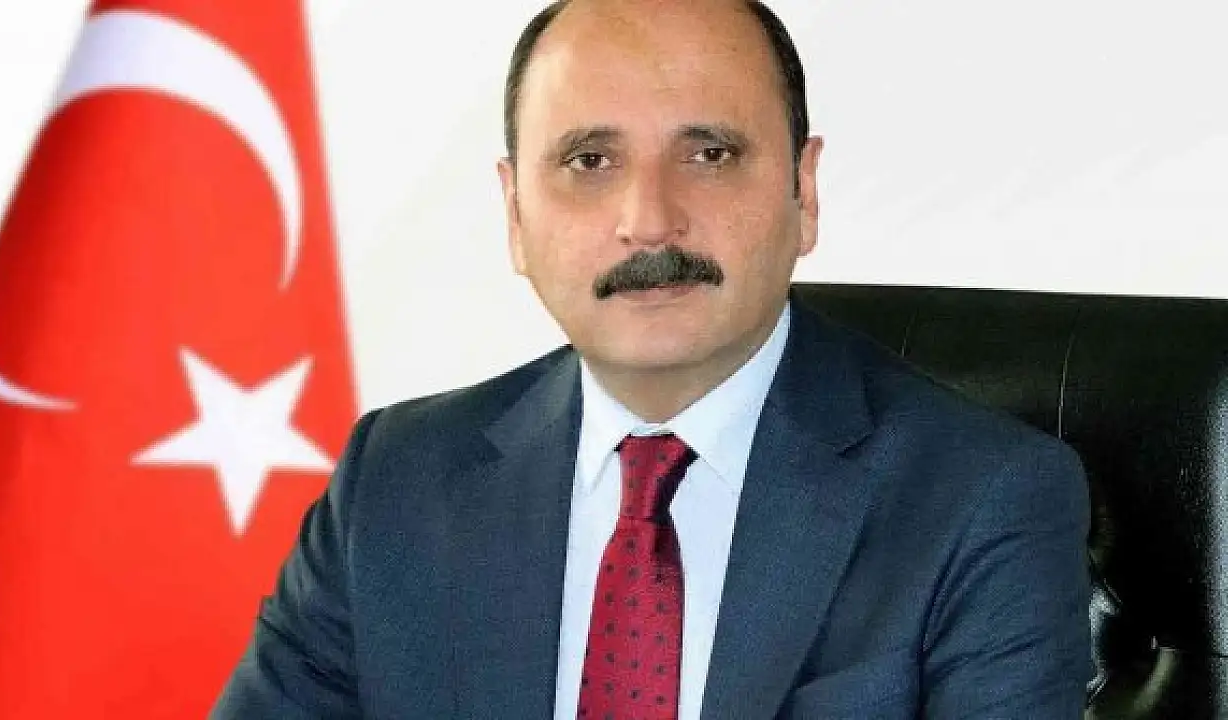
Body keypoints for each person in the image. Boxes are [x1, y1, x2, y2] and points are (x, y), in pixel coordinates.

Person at [212, 0, 1093, 717]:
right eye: (590, 160)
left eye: (710, 154)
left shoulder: (982, 500)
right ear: (515, 215)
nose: (648, 219)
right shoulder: (395, 483)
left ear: (804, 189)